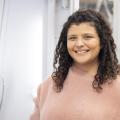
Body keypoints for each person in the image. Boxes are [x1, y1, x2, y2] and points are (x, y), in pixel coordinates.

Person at [30, 9, 120, 120]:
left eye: (87, 37)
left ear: (102, 42)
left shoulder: (117, 87)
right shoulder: (46, 87)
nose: (79, 44)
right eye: (72, 38)